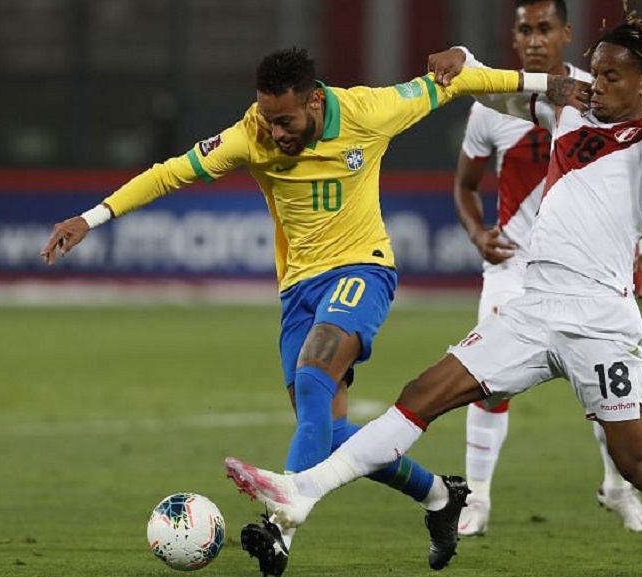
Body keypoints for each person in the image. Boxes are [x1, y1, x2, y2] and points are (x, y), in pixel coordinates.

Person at [223, 15, 642, 577]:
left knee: (640, 465)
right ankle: (303, 493)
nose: (599, 85)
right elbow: (491, 92)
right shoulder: (570, 110)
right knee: (422, 393)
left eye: (613, 76)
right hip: (534, 308)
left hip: (602, 321)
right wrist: (460, 60)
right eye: (595, 73)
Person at [39, 48, 589, 576]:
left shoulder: (367, 111)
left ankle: (281, 528)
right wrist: (92, 217)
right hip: (298, 289)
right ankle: (440, 496)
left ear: (314, 102)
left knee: (313, 373)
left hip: (363, 269)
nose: (274, 132)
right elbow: (171, 172)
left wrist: (546, 85)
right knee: (326, 429)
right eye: (267, 119)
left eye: (284, 120)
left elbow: (457, 82)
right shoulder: (249, 135)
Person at [454, 0, 642, 536]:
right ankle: (476, 498)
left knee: (606, 384)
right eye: (525, 29)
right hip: (511, 267)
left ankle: (620, 488)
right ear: (515, 35)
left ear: (567, 33)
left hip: (587, 268)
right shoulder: (491, 106)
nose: (534, 39)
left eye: (545, 28)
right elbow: (465, 186)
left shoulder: (600, 91)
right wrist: (479, 234)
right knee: (486, 383)